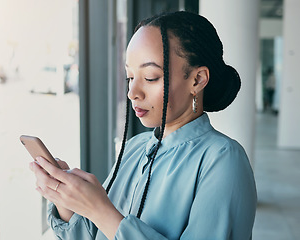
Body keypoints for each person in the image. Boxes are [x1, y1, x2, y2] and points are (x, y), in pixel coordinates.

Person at [29, 11, 257, 240]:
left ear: (197, 80)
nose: (132, 93)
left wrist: (100, 209)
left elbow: (106, 220)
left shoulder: (224, 159)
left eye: (150, 77)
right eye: (130, 77)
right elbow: (95, 234)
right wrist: (67, 200)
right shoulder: (134, 148)